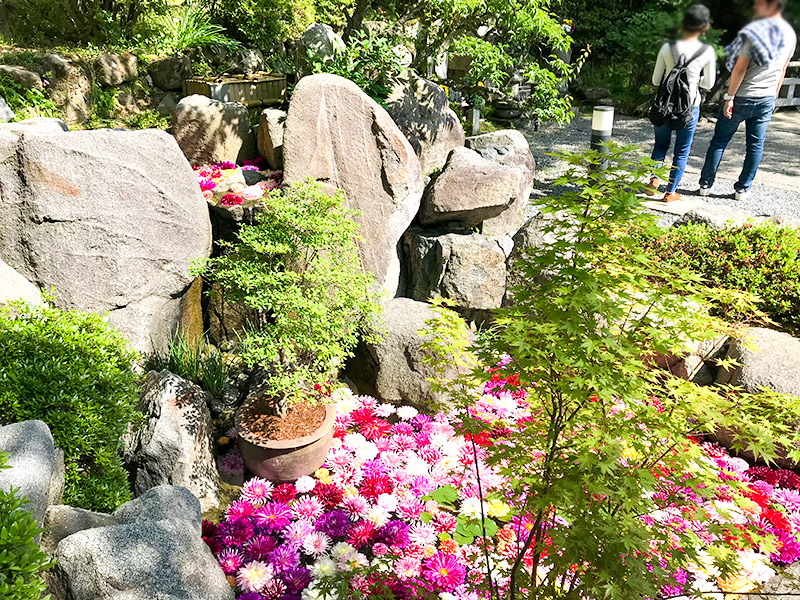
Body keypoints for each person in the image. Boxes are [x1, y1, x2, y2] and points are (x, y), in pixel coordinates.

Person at [698, 0, 797, 201]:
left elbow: (740, 69)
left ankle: (705, 185)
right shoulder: (790, 35)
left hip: (743, 95)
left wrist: (729, 98)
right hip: (767, 98)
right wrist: (774, 95)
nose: (755, 8)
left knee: (720, 140)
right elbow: (783, 69)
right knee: (755, 145)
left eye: (759, 4)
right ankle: (742, 189)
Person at [646, 4, 717, 202]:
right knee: (682, 150)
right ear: (705, 27)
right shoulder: (707, 51)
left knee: (661, 144)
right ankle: (670, 192)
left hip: (664, 104)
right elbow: (709, 83)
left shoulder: (667, 47)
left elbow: (655, 80)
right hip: (689, 106)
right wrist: (693, 81)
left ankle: (653, 179)